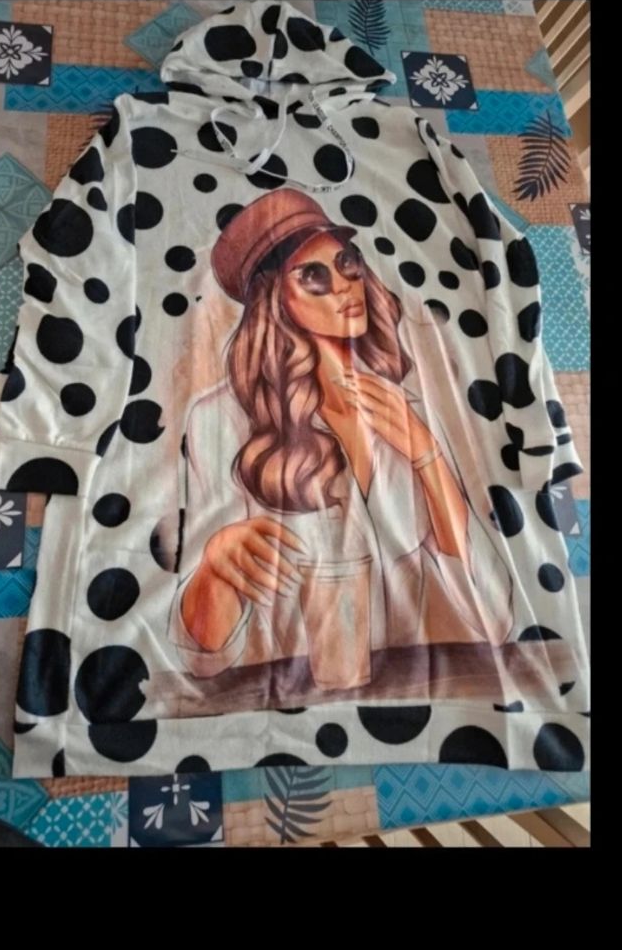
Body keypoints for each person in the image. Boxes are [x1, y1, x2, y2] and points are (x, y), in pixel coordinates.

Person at [168, 188, 513, 679]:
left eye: (347, 263)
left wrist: (427, 456)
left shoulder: (405, 410)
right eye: (313, 275)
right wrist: (213, 571)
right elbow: (201, 658)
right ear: (273, 298)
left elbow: (494, 617)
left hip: (405, 692)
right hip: (285, 698)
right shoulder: (218, 420)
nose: (344, 287)